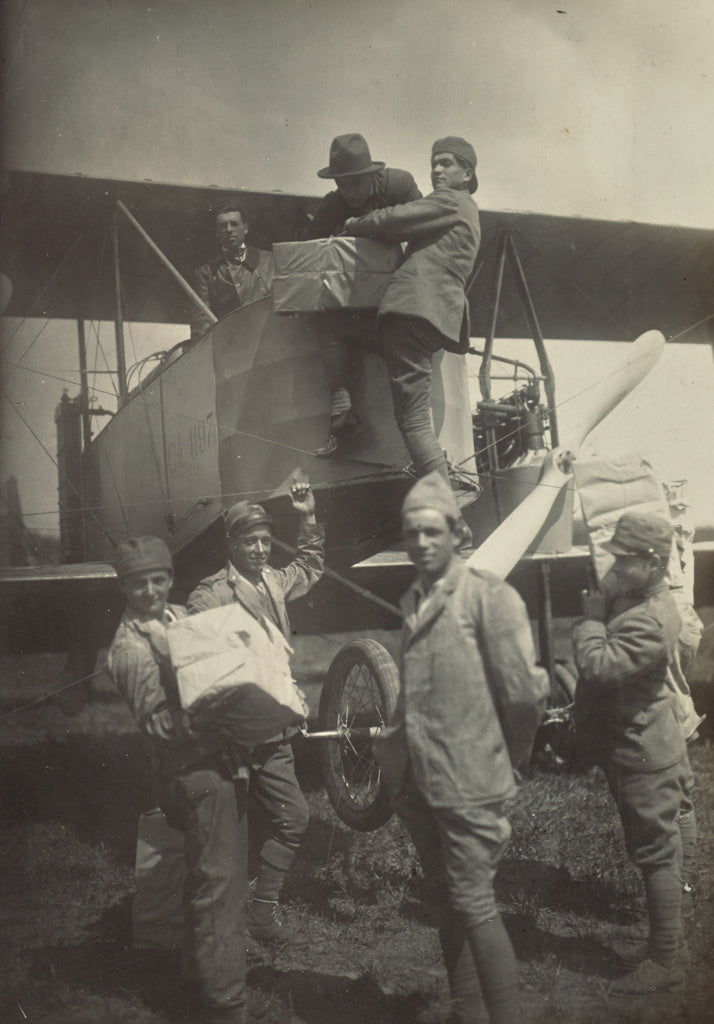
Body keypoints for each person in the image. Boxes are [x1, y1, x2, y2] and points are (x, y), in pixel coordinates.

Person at [373, 471, 549, 1024]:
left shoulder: (489, 598)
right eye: (411, 533)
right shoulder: (413, 600)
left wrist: (510, 760)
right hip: (420, 782)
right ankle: (466, 1009)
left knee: (474, 903)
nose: (421, 543)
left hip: (472, 781)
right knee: (444, 899)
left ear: (454, 532)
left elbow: (523, 697)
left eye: (432, 531)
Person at [107, 536, 249, 1024]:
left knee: (204, 875)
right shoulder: (129, 650)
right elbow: (162, 727)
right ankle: (226, 1005)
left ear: (170, 577)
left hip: (212, 763)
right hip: (189, 772)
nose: (151, 590)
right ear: (122, 586)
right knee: (220, 882)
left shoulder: (179, 616)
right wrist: (223, 710)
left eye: (159, 578)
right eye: (138, 582)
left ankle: (197, 979)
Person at [187, 481, 323, 944]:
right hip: (230, 738)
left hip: (275, 731)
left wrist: (306, 517)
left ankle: (261, 915)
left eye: (266, 540)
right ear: (232, 544)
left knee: (293, 818)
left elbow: (308, 566)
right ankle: (212, 926)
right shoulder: (212, 596)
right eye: (251, 542)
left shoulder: (272, 582)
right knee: (224, 835)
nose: (261, 550)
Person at [572, 511, 692, 996]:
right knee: (670, 827)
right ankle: (678, 931)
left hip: (640, 748)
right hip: (648, 740)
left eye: (625, 560)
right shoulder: (643, 593)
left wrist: (590, 622)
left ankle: (667, 959)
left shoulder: (650, 618)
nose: (614, 568)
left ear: (654, 562)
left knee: (655, 851)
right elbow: (615, 582)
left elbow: (599, 667)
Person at [343, 136, 481, 482]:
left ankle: (448, 516)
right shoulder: (467, 210)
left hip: (412, 310)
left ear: (467, 174)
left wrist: (354, 224)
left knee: (414, 421)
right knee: (414, 418)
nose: (436, 169)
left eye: (447, 163)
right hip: (431, 317)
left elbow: (395, 219)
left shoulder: (452, 200)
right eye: (434, 162)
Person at [303, 133, 422, 457]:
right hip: (358, 303)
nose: (350, 192)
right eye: (343, 184)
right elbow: (308, 257)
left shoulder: (400, 186)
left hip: (402, 293)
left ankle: (414, 435)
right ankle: (341, 406)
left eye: (357, 183)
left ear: (373, 175)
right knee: (322, 316)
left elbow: (426, 231)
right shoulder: (333, 204)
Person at [190, 198, 274, 340]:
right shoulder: (206, 274)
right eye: (223, 226)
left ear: (245, 228)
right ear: (216, 232)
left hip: (270, 344)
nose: (229, 230)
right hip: (230, 349)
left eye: (234, 224)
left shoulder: (272, 262)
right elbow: (201, 329)